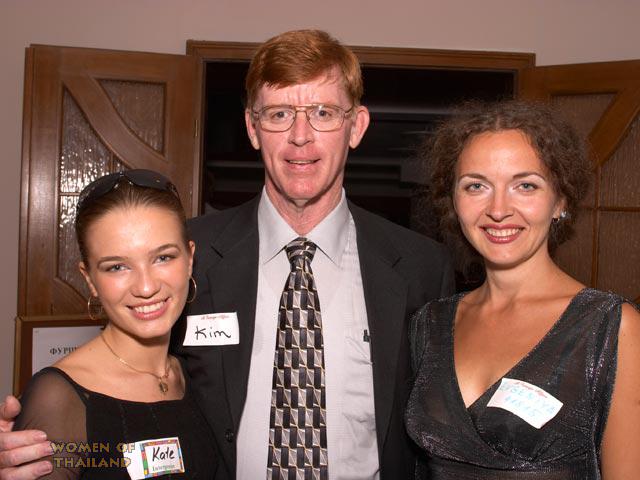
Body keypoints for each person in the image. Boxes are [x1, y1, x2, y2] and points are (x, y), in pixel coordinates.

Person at [0, 30, 453, 480]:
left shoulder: (421, 268)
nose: (300, 136)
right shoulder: (179, 257)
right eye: (278, 114)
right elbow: (119, 396)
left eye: (323, 113)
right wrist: (37, 447)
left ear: (356, 126)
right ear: (252, 128)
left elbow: (444, 429)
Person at [405, 100, 640, 479]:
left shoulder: (610, 328)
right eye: (476, 186)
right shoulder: (429, 324)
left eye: (525, 185)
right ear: (454, 202)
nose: (499, 209)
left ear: (560, 201)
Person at [10, 170, 218, 478]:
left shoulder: (195, 374)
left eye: (163, 258)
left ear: (189, 259)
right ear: (90, 279)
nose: (146, 287)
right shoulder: (58, 399)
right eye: (117, 266)